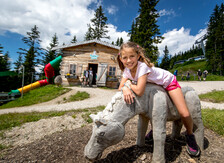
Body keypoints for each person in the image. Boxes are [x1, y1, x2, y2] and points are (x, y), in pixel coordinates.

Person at [117, 42, 200, 157]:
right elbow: (120, 88)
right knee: (154, 109)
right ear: (120, 58)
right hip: (156, 85)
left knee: (184, 113)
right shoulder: (127, 70)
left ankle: (190, 135)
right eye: (125, 57)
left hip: (168, 82)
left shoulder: (142, 67)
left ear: (138, 56)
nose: (129, 60)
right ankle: (153, 131)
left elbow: (139, 91)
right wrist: (125, 87)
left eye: (132, 56)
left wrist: (128, 84)